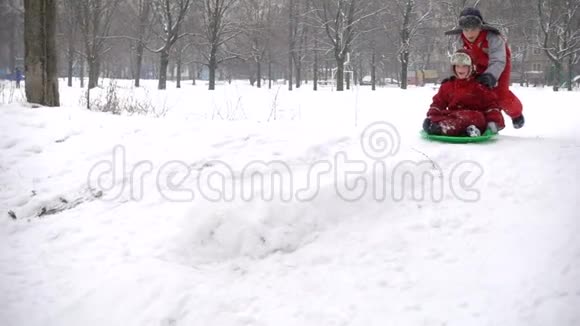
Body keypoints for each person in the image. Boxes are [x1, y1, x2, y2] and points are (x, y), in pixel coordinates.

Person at [445, 7, 525, 129]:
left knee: (499, 93)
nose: (469, 33)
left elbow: (498, 59)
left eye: (473, 29)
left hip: (500, 62)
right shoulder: (459, 39)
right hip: (475, 64)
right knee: (476, 91)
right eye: (466, 30)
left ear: (480, 27)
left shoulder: (493, 37)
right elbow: (459, 58)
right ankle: (488, 120)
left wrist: (491, 76)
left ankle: (516, 114)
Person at [423, 49, 504, 137]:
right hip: (452, 116)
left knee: (476, 117)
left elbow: (491, 106)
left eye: (464, 66)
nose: (460, 69)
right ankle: (460, 130)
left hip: (473, 117)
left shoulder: (479, 86)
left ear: (472, 67)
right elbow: (438, 103)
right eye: (457, 66)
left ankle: (444, 129)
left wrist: (494, 121)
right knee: (442, 116)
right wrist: (431, 117)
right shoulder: (448, 85)